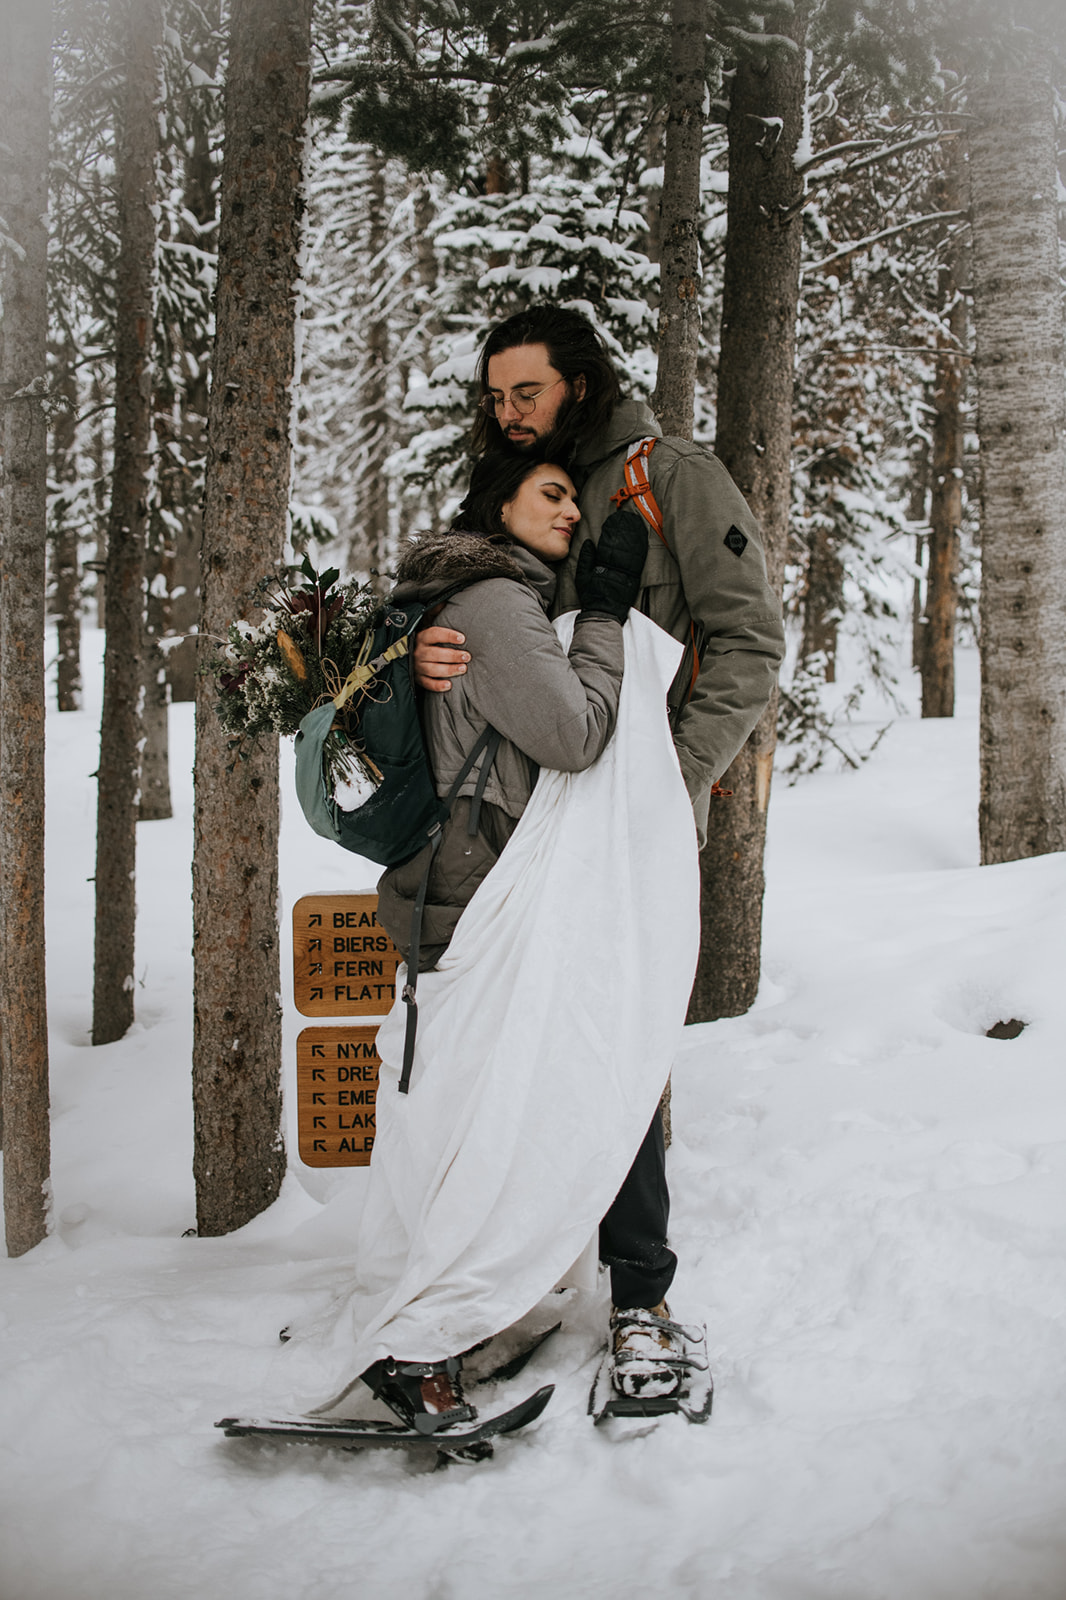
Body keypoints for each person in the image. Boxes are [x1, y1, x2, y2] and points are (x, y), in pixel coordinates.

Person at [412, 306, 786, 1405]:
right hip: (516, 833)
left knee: (615, 1046)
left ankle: (640, 1300)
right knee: (521, 1054)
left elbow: (750, 641)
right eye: (493, 396)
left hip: (632, 826)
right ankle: (501, 1282)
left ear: (577, 382)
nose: (506, 413)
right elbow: (467, 615)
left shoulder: (669, 476)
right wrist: (428, 644)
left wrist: (666, 781)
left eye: (524, 392)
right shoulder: (512, 494)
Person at [315, 451, 695, 1433]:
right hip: (491, 898)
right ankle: (423, 1340)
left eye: (577, 495)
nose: (571, 511)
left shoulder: (453, 593)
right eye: (553, 495)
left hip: (453, 889)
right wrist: (606, 618)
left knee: (473, 1115)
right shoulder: (493, 600)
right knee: (512, 1119)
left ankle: (437, 1324)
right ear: (500, 506)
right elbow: (574, 736)